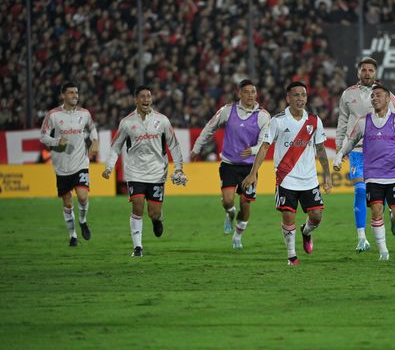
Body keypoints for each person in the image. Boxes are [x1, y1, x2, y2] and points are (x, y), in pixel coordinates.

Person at [242, 81, 332, 265]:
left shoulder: (314, 121)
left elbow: (321, 149)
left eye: (303, 95)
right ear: (288, 98)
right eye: (296, 95)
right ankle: (292, 256)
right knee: (288, 215)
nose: (300, 99)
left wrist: (327, 175)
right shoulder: (278, 121)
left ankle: (306, 232)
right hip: (286, 178)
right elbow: (265, 147)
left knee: (316, 216)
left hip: (309, 179)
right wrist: (253, 173)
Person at [102, 86, 187, 257]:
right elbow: (116, 147)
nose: (146, 99)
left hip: (157, 172)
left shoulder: (162, 121)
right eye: (142, 96)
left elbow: (174, 145)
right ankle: (138, 247)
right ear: (136, 100)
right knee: (137, 205)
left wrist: (179, 167)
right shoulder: (127, 123)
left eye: (149, 96)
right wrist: (109, 167)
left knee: (153, 212)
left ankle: (157, 220)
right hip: (135, 172)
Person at [333, 84, 395, 260]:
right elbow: (351, 142)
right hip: (372, 176)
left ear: (387, 99)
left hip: (393, 175)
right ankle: (383, 251)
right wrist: (339, 157)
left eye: (379, 95)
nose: (375, 98)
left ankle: (393, 218)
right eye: (373, 96)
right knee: (376, 211)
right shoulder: (363, 122)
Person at [190, 79, 270, 249]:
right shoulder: (227, 111)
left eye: (253, 92)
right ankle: (229, 213)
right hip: (229, 164)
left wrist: (254, 150)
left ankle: (238, 236)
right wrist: (197, 148)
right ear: (239, 93)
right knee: (228, 201)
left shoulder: (263, 115)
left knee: (245, 204)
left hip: (250, 167)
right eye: (247, 92)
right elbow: (209, 128)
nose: (250, 95)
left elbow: (265, 142)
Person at [40, 81, 99, 246]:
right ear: (63, 95)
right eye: (72, 93)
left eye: (77, 93)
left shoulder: (85, 113)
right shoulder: (53, 115)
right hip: (61, 166)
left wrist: (95, 141)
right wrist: (57, 141)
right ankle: (73, 235)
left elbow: (92, 128)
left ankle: (83, 220)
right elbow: (43, 136)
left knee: (82, 196)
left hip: (80, 162)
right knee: (67, 202)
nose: (75, 96)